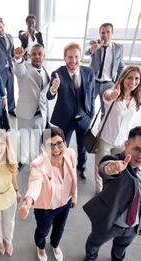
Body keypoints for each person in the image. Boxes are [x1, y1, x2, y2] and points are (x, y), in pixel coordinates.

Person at [82, 126, 141, 261]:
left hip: (133, 225)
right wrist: (110, 169)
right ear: (126, 145)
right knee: (94, 242)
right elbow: (105, 168)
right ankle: (89, 259)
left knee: (121, 247)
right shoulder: (116, 162)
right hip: (109, 222)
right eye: (137, 149)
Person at [18, 128, 77, 261]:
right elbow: (35, 183)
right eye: (51, 145)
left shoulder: (71, 155)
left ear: (65, 144)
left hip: (65, 203)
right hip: (46, 207)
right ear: (44, 148)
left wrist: (73, 198)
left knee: (60, 228)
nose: (56, 149)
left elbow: (73, 177)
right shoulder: (38, 164)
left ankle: (55, 245)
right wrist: (28, 202)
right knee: (42, 231)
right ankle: (41, 247)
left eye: (59, 143)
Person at [47, 42, 95, 180]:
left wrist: (91, 113)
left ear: (80, 57)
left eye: (76, 57)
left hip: (84, 117)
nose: (73, 60)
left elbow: (92, 94)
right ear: (64, 57)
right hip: (65, 118)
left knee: (82, 145)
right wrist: (53, 88)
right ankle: (62, 167)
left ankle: (82, 167)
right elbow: (50, 96)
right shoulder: (57, 74)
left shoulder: (88, 72)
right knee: (62, 146)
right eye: (70, 57)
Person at [94, 65, 141, 194]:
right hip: (106, 138)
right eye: (130, 78)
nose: (133, 82)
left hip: (123, 142)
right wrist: (113, 94)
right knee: (101, 166)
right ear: (123, 78)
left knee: (118, 167)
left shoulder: (135, 99)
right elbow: (107, 96)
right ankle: (99, 190)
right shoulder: (113, 94)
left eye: (136, 79)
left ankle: (109, 188)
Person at [13, 44, 50, 169]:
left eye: (40, 54)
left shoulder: (46, 73)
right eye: (34, 54)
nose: (37, 57)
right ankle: (23, 160)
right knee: (24, 137)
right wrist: (18, 59)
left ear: (44, 56)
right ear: (29, 56)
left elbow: (44, 96)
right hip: (26, 113)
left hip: (40, 114)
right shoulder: (24, 68)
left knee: (39, 139)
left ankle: (38, 161)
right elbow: (19, 71)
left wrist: (47, 113)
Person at [84, 22, 125, 119]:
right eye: (102, 32)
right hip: (93, 82)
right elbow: (85, 52)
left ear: (112, 33)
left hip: (109, 84)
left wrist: (117, 83)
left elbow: (121, 67)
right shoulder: (95, 43)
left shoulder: (118, 48)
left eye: (108, 32)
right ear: (99, 34)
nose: (105, 35)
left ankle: (101, 132)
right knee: (87, 108)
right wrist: (91, 49)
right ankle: (86, 130)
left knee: (105, 111)